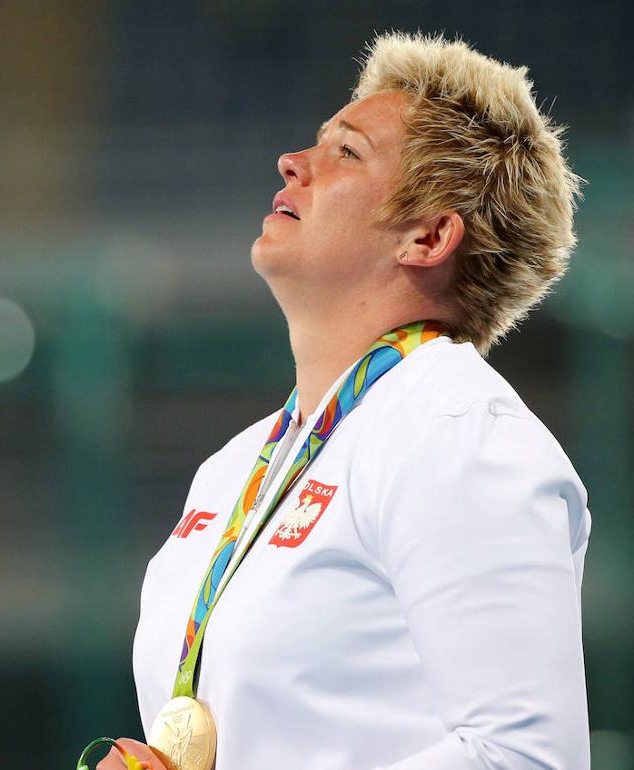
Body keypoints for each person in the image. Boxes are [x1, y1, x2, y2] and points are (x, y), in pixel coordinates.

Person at [96, 31, 590, 770]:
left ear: (427, 236)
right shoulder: (234, 467)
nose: (293, 163)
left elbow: (526, 758)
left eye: (346, 152)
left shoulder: (460, 435)